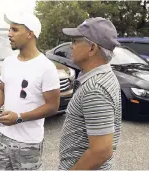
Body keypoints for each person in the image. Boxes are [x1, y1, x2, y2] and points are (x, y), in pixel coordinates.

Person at [0, 13, 61, 170]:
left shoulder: (46, 67)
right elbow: (2, 89)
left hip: (29, 143)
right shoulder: (8, 62)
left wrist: (20, 118)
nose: (9, 34)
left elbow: (53, 106)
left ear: (30, 34)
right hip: (2, 136)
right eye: (9, 29)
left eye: (15, 30)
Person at [58, 17, 122, 170]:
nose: (71, 46)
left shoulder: (96, 87)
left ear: (92, 48)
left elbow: (101, 151)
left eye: (75, 41)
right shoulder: (101, 78)